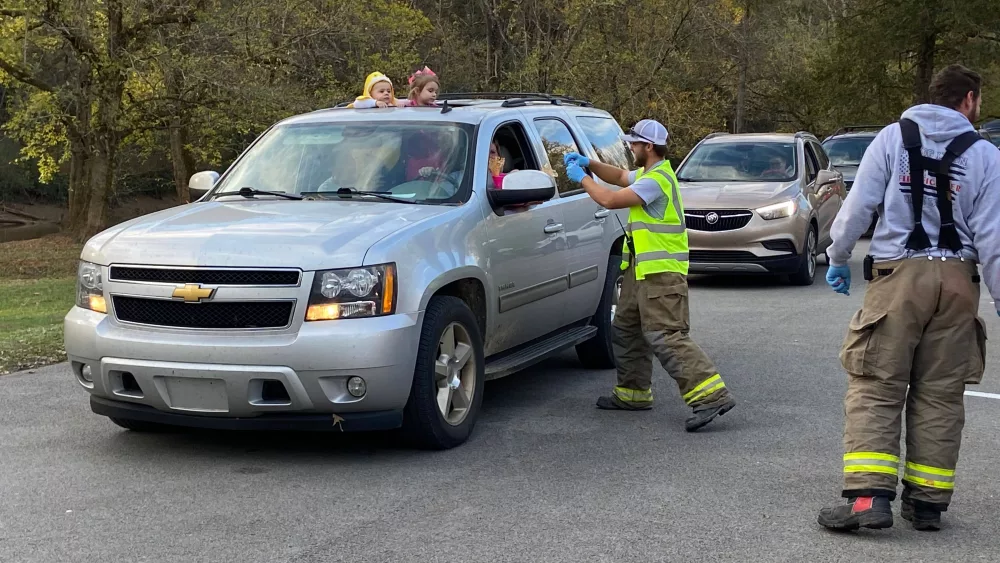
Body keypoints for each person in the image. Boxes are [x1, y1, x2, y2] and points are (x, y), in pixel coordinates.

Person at [817, 64, 1000, 532]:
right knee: (941, 394)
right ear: (969, 100)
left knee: (877, 383)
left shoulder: (891, 139)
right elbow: (994, 239)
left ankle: (868, 501)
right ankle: (927, 504)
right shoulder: (985, 155)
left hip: (897, 276)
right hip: (959, 280)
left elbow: (858, 206)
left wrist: (838, 257)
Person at [562, 119, 737, 432]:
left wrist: (582, 179)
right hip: (641, 272)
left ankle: (712, 396)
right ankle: (633, 393)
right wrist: (590, 163)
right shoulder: (646, 174)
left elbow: (610, 199)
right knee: (626, 328)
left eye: (634, 143)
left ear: (649, 147)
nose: (630, 147)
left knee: (666, 336)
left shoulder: (656, 180)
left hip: (661, 274)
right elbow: (618, 176)